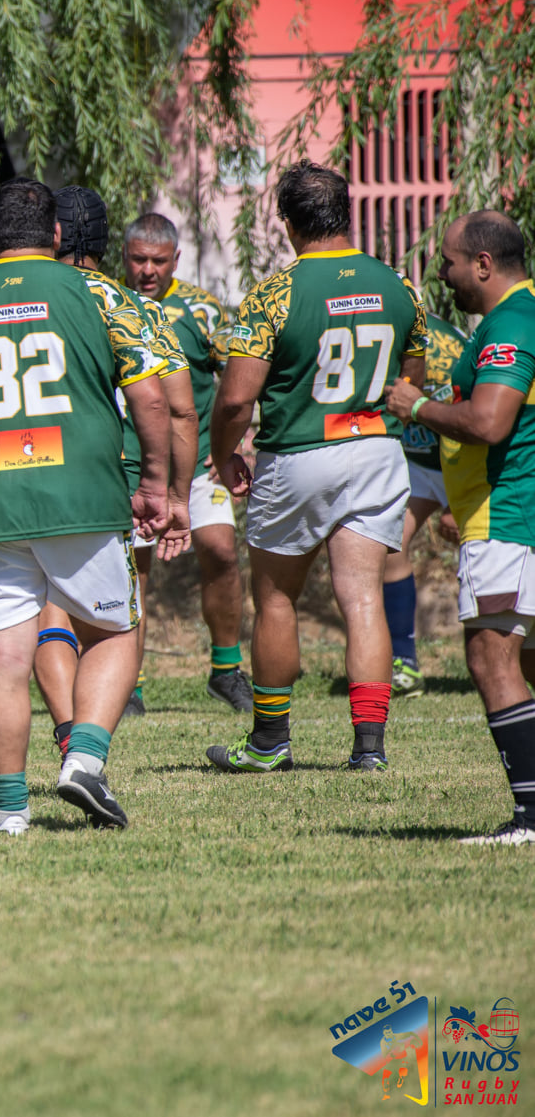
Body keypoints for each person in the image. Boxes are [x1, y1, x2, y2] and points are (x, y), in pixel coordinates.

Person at [0, 178, 172, 834]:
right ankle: (85, 757)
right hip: (81, 496)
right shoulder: (98, 294)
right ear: (54, 237)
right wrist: (156, 483)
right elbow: (152, 400)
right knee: (113, 631)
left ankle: (8, 813)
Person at [205, 160, 425, 775]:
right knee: (363, 601)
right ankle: (369, 749)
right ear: (347, 211)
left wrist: (223, 455)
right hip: (377, 450)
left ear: (286, 222)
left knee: (276, 598)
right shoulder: (399, 285)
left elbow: (234, 399)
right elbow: (415, 383)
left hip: (299, 452)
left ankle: (271, 743)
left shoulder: (275, 293)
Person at [383, 210, 535, 844]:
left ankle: (529, 816)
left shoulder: (510, 323)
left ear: (483, 264)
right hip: (505, 512)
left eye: (447, 262)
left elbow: (492, 422)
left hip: (505, 518)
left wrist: (417, 406)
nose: (442, 274)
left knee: (490, 655)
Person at [30, 187, 194, 746]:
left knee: (49, 606)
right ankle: (90, 738)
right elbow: (178, 407)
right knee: (116, 610)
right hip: (107, 478)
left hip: (27, 469)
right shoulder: (132, 306)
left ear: (53, 234)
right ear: (107, 242)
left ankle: (65, 728)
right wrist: (175, 494)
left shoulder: (22, 295)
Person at [121, 212, 255, 713]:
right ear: (125, 258)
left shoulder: (202, 311)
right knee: (134, 571)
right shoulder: (112, 306)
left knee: (220, 550)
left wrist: (233, 445)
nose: (148, 270)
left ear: (176, 260)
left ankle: (225, 669)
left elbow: (239, 376)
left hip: (199, 463)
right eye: (139, 259)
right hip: (132, 466)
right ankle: (127, 683)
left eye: (158, 261)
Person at [382, 277, 465, 698]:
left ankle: (502, 651)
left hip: (462, 460)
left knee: (482, 557)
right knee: (387, 543)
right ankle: (403, 663)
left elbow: (472, 421)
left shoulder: (445, 353)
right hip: (415, 461)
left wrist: (456, 500)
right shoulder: (377, 330)